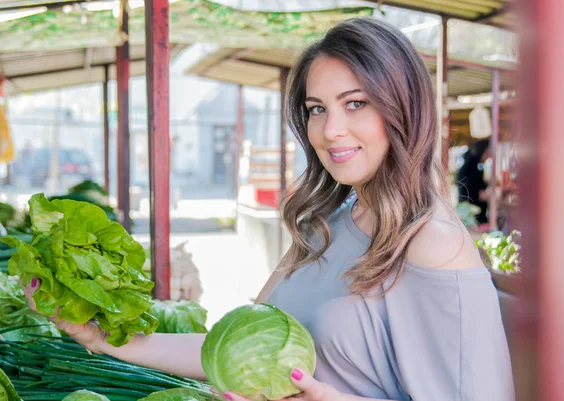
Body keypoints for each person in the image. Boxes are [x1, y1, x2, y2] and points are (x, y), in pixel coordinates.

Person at [24, 18, 514, 401]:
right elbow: (226, 347)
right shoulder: (331, 223)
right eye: (317, 108)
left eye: (356, 103)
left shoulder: (433, 242)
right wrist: (106, 341)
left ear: (404, 107)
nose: (330, 130)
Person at [456, 139, 490, 224]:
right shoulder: (474, 162)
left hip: (468, 200)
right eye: (488, 152)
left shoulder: (471, 160)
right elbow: (472, 183)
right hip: (470, 202)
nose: (489, 155)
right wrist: (478, 193)